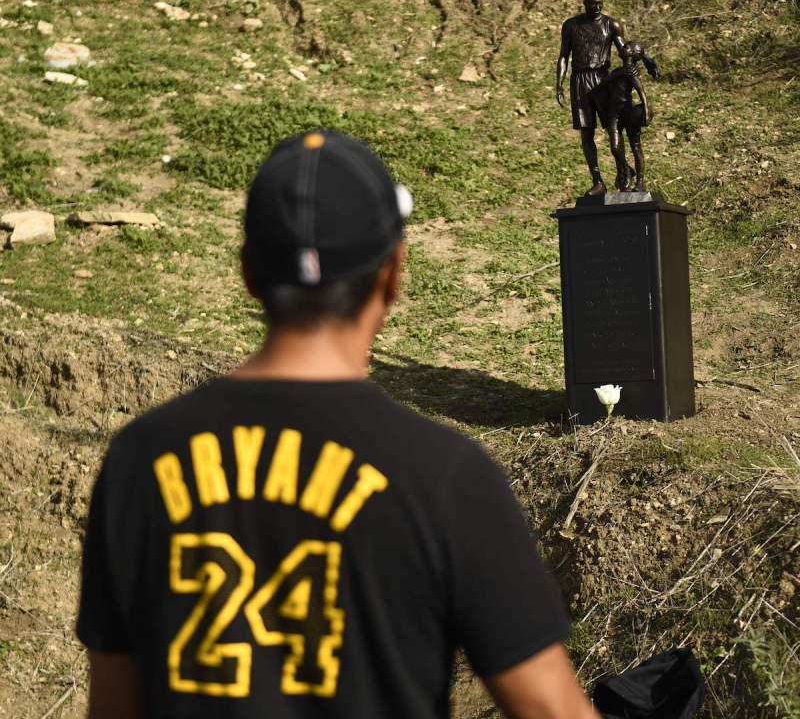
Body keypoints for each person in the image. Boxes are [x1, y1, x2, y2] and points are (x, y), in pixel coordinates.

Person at [77, 129, 600, 719]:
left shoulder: (140, 459)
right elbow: (551, 707)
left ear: (249, 274)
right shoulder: (445, 478)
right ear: (394, 272)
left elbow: (113, 706)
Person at [556, 0, 626, 195]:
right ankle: (597, 180)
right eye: (592, 3)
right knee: (586, 132)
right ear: (584, 3)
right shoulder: (571, 25)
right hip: (579, 80)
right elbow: (563, 56)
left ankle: (623, 172)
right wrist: (559, 83)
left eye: (599, 3)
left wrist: (638, 65)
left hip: (602, 79)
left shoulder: (611, 24)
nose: (596, 7)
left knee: (613, 127)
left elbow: (625, 51)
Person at [588, 40, 661, 192]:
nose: (623, 47)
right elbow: (602, 84)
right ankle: (627, 168)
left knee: (635, 147)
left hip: (627, 112)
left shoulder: (630, 72)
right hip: (613, 114)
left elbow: (641, 91)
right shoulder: (619, 71)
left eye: (627, 47)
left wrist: (646, 111)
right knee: (615, 147)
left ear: (633, 54)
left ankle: (640, 182)